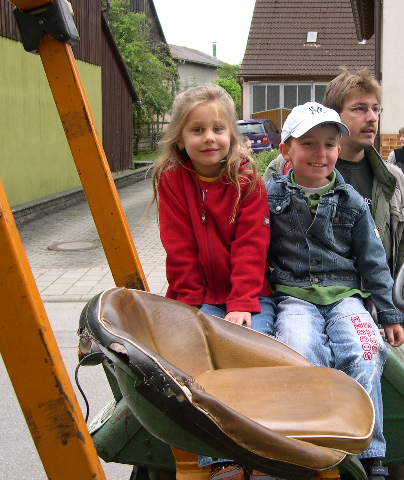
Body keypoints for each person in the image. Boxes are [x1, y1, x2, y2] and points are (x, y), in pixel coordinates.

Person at [267, 102, 404, 480]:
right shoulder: (269, 196)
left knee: (366, 349)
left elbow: (373, 262)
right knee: (298, 348)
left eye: (329, 144)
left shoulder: (353, 202)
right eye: (308, 143)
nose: (320, 153)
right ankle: (311, 443)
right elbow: (252, 247)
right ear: (286, 150)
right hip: (294, 295)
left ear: (339, 150)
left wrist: (389, 313)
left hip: (345, 296)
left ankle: (369, 450)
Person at [152, 84, 275, 480]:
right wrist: (190, 306)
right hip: (200, 293)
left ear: (231, 135)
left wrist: (241, 302)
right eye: (197, 130)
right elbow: (179, 247)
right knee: (196, 358)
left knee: (254, 350)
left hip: (248, 293)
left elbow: (251, 246)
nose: (209, 138)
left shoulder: (246, 179)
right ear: (180, 139)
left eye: (218, 129)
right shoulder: (173, 180)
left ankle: (262, 450)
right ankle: (217, 455)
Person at [322, 68, 404, 343]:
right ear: (334, 116)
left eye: (376, 109)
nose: (372, 118)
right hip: (311, 313)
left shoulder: (393, 179)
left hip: (376, 319)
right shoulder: (294, 169)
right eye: (359, 109)